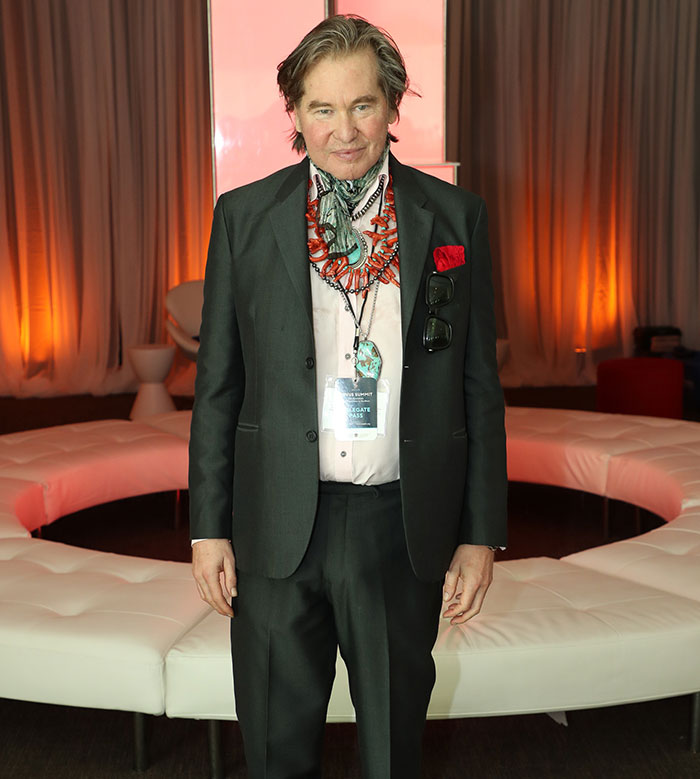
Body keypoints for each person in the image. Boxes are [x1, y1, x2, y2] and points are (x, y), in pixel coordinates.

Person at [189, 14, 506, 779]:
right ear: (295, 114)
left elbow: (477, 387)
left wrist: (480, 531)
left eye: (362, 104)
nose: (344, 130)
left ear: (392, 105)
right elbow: (218, 386)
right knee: (272, 744)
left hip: (398, 522)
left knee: (394, 747)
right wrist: (207, 525)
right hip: (273, 523)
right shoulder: (244, 217)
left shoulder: (452, 219)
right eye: (322, 109)